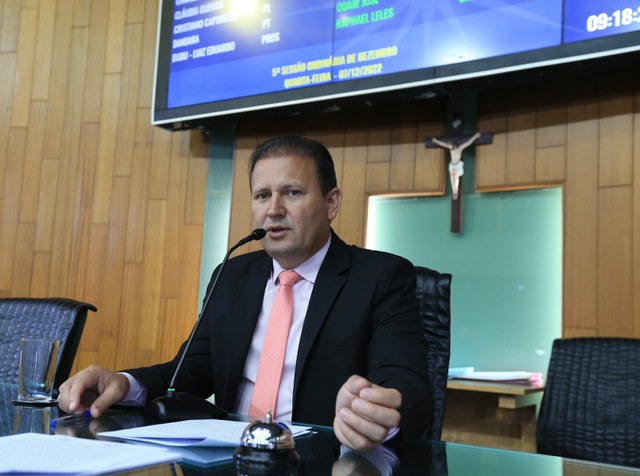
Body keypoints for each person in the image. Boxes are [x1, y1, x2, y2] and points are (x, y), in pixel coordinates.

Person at [58, 135, 432, 452]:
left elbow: (406, 384)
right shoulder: (232, 275)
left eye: (292, 193)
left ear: (331, 203)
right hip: (231, 463)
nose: (274, 210)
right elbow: (190, 372)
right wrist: (124, 383)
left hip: (323, 468)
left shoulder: (380, 277)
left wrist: (379, 416)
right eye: (262, 195)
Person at [431, 132, 482, 199]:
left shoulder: (460, 148)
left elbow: (468, 143)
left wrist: (475, 136)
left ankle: (455, 191)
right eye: (448, 145)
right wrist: (436, 141)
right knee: (452, 178)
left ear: (453, 145)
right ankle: (454, 191)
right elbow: (443, 144)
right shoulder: (450, 149)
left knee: (456, 178)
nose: (448, 146)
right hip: (452, 165)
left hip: (457, 165)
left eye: (449, 145)